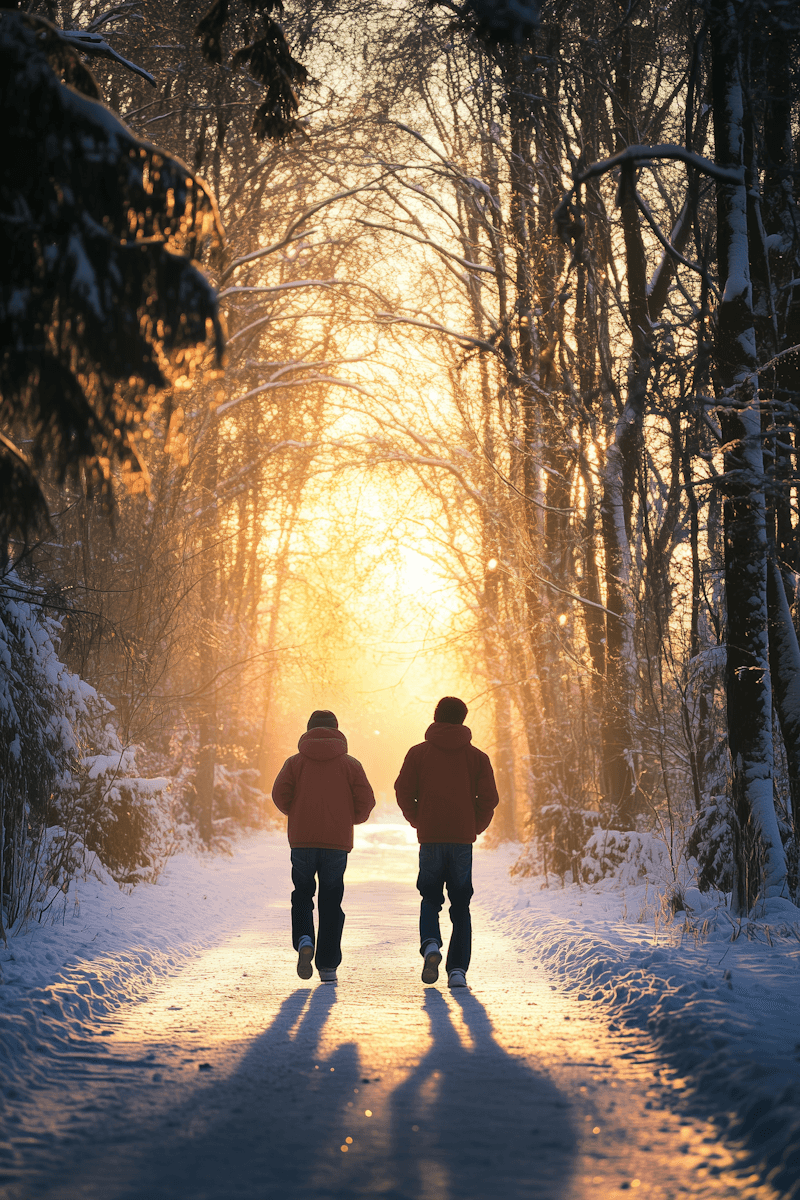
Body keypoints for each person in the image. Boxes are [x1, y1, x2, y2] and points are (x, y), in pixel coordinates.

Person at [395, 696, 499, 990]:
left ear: (436, 717)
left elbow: (403, 790)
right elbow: (489, 798)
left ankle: (430, 945)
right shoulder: (477, 758)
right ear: (463, 720)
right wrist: (473, 826)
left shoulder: (418, 754)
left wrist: (419, 819)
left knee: (430, 897)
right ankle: (457, 972)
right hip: (461, 841)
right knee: (461, 904)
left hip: (430, 838)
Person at [272, 710, 375, 983]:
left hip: (302, 841)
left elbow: (279, 793)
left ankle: (305, 938)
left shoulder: (294, 763)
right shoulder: (350, 764)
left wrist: (296, 813)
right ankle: (328, 965)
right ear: (337, 731)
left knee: (302, 893)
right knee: (331, 900)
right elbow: (366, 799)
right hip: (336, 843)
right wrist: (348, 819)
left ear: (308, 731)